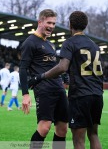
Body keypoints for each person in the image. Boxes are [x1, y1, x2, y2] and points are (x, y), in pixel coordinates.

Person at [29, 11, 103, 149]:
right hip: (97, 94)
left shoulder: (70, 43)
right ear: (85, 25)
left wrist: (41, 77)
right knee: (93, 135)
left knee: (78, 139)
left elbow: (62, 67)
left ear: (70, 25)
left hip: (81, 95)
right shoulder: (94, 45)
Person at [20, 9, 68, 149]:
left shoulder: (50, 44)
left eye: (54, 23)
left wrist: (65, 80)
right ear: (40, 22)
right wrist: (25, 94)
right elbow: (23, 69)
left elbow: (55, 67)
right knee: (44, 128)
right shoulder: (30, 42)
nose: (52, 26)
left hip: (58, 89)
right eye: (49, 23)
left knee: (62, 129)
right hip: (44, 90)